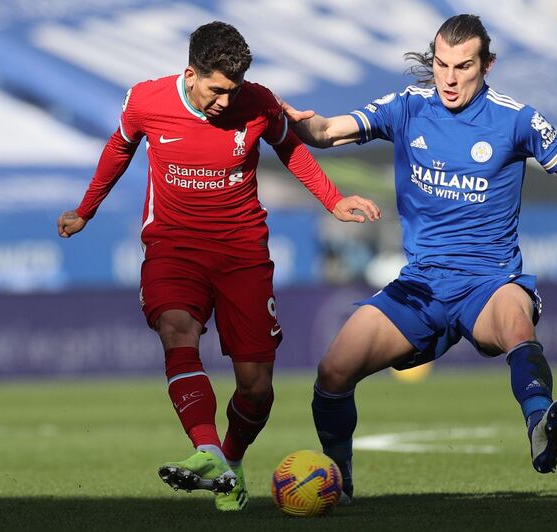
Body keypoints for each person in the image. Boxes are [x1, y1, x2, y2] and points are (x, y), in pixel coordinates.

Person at [280, 14, 557, 502]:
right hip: (421, 285)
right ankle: (340, 479)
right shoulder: (406, 107)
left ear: (487, 65)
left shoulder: (516, 119)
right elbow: (327, 132)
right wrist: (286, 119)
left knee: (517, 326)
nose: (450, 78)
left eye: (463, 66)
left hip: (490, 281)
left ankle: (541, 425)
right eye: (441, 64)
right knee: (332, 372)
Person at [57, 21, 380, 511]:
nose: (226, 102)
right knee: (176, 328)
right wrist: (86, 209)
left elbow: (289, 146)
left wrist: (331, 200)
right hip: (173, 246)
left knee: (256, 387)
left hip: (242, 253)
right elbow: (119, 148)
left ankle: (228, 464)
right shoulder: (145, 101)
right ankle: (206, 449)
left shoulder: (259, 102)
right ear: (191, 73)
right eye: (216, 90)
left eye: (233, 91)